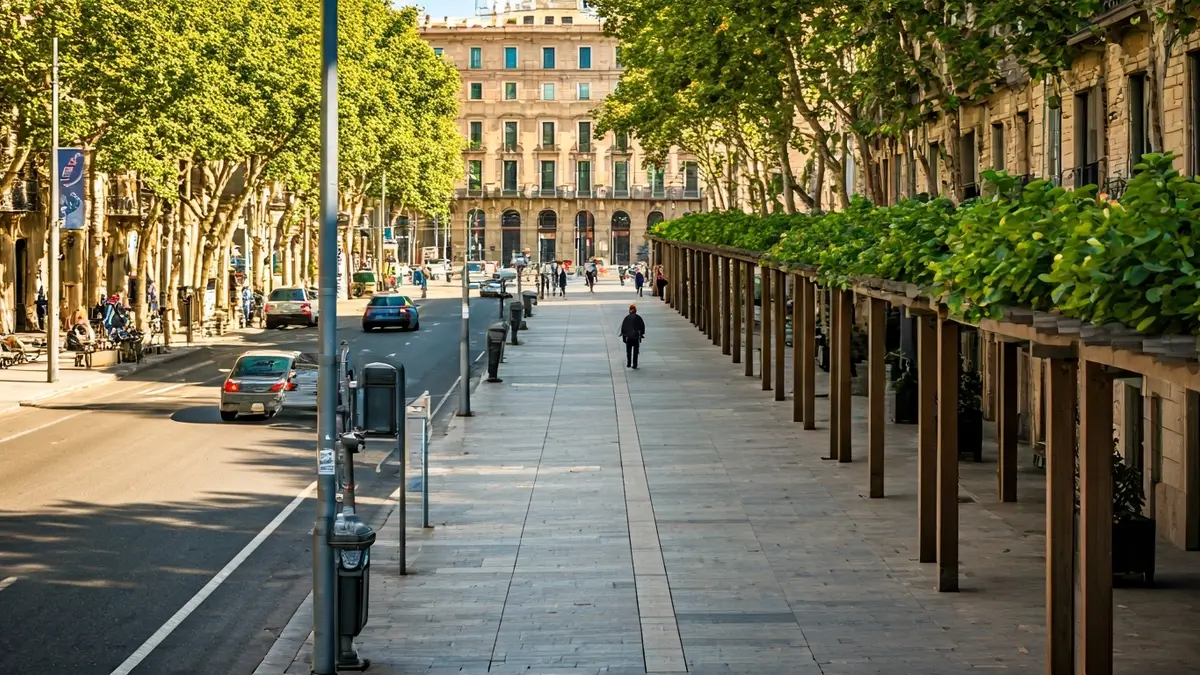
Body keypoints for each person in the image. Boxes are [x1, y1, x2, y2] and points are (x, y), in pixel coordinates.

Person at [619, 304, 646, 369]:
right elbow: (642, 327)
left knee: (628, 350)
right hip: (636, 337)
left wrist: (624, 337)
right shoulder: (638, 318)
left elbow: (623, 328)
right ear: (635, 311)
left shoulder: (627, 318)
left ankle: (629, 363)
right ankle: (635, 364)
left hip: (629, 337)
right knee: (635, 351)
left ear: (629, 310)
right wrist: (641, 334)